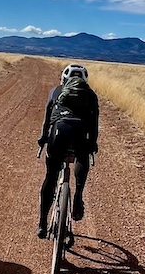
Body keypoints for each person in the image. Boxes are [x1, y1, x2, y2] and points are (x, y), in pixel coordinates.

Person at [36, 63, 99, 239]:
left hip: (59, 132)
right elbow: (94, 125)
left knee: (51, 176)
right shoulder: (91, 95)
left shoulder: (55, 91)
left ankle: (42, 223)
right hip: (81, 135)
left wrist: (43, 140)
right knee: (83, 155)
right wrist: (92, 145)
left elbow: (47, 119)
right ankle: (78, 196)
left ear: (64, 78)